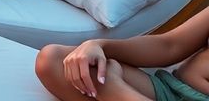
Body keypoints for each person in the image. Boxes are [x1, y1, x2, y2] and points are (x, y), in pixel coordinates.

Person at [35, 6, 209, 100]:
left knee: (105, 84)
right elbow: (170, 45)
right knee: (54, 59)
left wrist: (113, 89)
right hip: (170, 90)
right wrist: (99, 46)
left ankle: (114, 93)